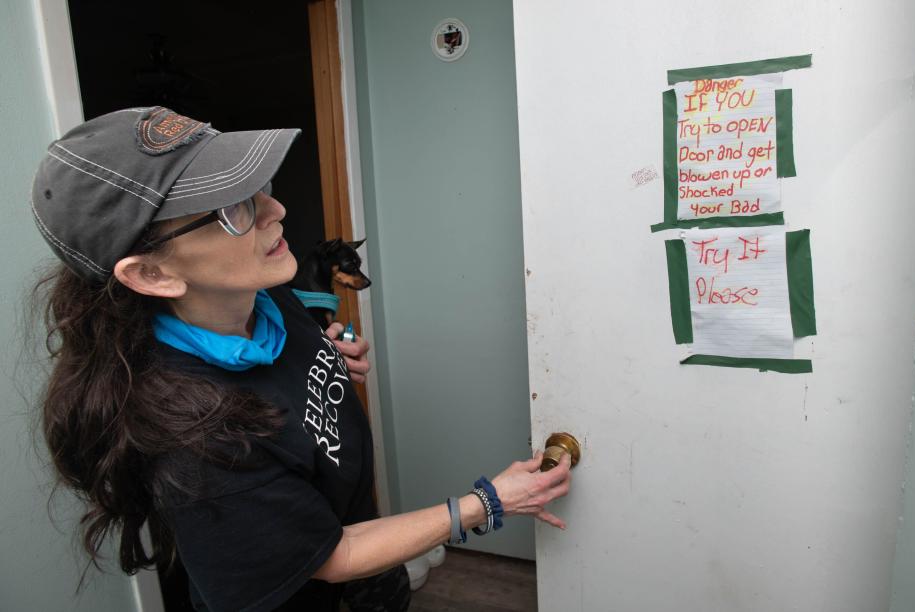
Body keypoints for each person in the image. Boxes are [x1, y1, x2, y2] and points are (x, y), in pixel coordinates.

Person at [30, 107, 573, 612]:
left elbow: (282, 391)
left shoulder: (263, 294)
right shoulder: (196, 442)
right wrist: (487, 502)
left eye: (256, 186)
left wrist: (326, 360)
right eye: (231, 208)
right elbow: (331, 557)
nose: (277, 210)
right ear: (152, 274)